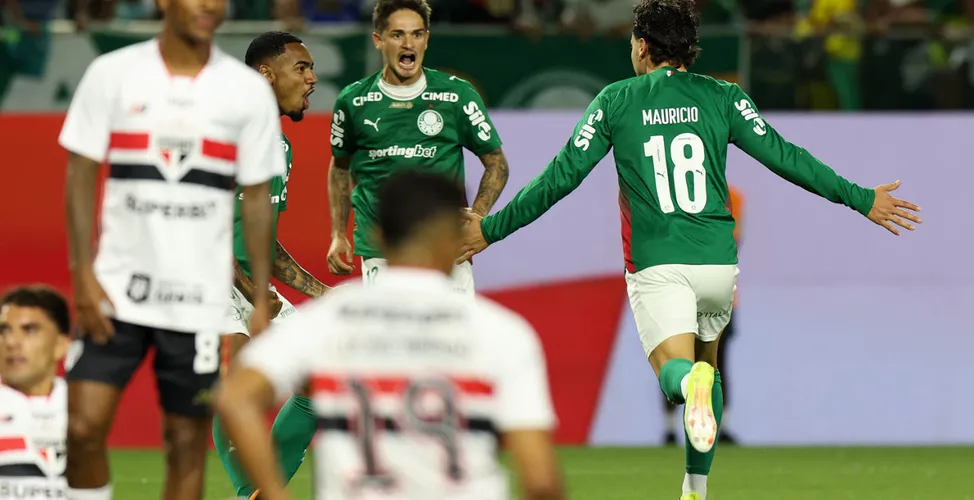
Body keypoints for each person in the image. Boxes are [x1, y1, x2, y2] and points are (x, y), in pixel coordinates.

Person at [458, 0, 922, 498]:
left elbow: (561, 177)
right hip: (718, 267)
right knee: (709, 371)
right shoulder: (724, 97)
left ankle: (689, 390)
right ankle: (695, 488)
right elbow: (786, 157)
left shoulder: (616, 100)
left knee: (677, 376)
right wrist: (860, 198)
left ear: (641, 45)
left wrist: (491, 229)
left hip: (660, 265)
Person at [215, 171, 564, 500]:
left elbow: (236, 399)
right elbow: (541, 481)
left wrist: (275, 493)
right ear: (456, 237)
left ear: (378, 235)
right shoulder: (503, 333)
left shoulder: (328, 321)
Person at [57, 0, 286, 495]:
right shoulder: (113, 73)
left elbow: (256, 199)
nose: (209, 5)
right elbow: (79, 175)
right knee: (81, 428)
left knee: (185, 444)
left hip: (196, 303)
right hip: (118, 291)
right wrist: (81, 273)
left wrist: (261, 297)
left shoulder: (246, 93)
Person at [211, 31, 333, 500]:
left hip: (246, 282)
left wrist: (324, 294)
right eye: (301, 67)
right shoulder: (224, 131)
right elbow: (207, 226)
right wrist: (254, 294)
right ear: (266, 73)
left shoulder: (279, 147)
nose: (312, 78)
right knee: (238, 377)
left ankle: (259, 493)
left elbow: (265, 244)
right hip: (205, 278)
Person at [325, 0, 510, 293]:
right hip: (381, 252)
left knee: (453, 340)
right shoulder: (353, 101)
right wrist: (338, 234)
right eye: (397, 34)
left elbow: (497, 162)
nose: (408, 43)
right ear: (378, 40)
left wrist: (478, 216)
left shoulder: (457, 95)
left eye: (417, 34)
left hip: (446, 250)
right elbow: (340, 168)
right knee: (389, 340)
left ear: (427, 39)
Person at [664, 186, 740, 446]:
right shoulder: (730, 196)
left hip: (688, 288)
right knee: (698, 361)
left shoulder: (731, 196)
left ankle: (715, 425)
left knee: (681, 359)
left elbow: (732, 239)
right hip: (707, 287)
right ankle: (673, 427)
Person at [0, 286, 71, 500]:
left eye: (29, 330)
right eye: (4, 330)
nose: (11, 342)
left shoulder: (81, 408)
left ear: (60, 344)